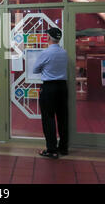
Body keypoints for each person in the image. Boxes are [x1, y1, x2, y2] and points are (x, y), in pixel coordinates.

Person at [33, 27, 68, 159]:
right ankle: (63, 148)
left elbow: (35, 69)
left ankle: (52, 149)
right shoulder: (64, 52)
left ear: (48, 37)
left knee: (48, 118)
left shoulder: (45, 53)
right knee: (62, 118)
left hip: (49, 88)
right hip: (62, 87)